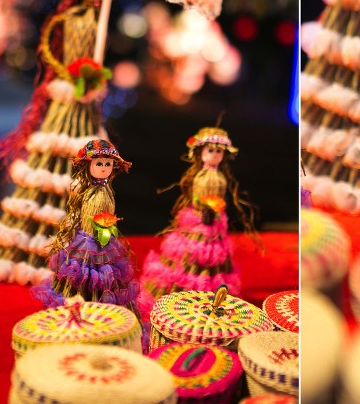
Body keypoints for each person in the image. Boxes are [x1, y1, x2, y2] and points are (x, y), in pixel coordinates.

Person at [139, 127, 260, 313]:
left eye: (219, 151)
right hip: (198, 221)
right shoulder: (201, 176)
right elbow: (198, 197)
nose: (214, 154)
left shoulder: (219, 176)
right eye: (210, 150)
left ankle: (208, 301)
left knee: (213, 259)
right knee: (191, 258)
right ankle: (180, 299)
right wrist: (205, 212)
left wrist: (214, 212)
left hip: (214, 222)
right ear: (201, 152)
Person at [32, 139, 141, 320]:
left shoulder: (107, 191)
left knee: (106, 281)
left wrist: (106, 228)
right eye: (99, 163)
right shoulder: (88, 192)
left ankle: (102, 316)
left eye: (108, 164)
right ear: (88, 165)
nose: (104, 167)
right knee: (84, 277)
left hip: (105, 241)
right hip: (87, 241)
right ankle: (78, 314)